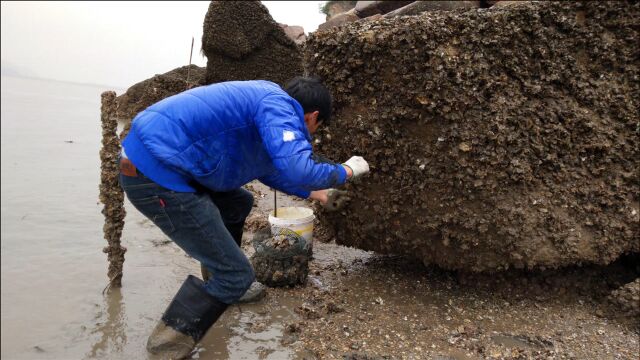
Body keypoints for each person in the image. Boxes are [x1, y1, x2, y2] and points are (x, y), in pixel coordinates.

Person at [118, 77, 369, 358]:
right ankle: (166, 345)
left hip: (155, 159)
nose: (309, 135)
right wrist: (346, 171)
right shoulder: (280, 107)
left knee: (239, 201)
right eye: (313, 129)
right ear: (312, 117)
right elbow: (298, 168)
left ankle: (220, 275)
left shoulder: (267, 103)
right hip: (154, 175)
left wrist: (319, 194)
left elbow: (269, 169)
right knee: (238, 273)